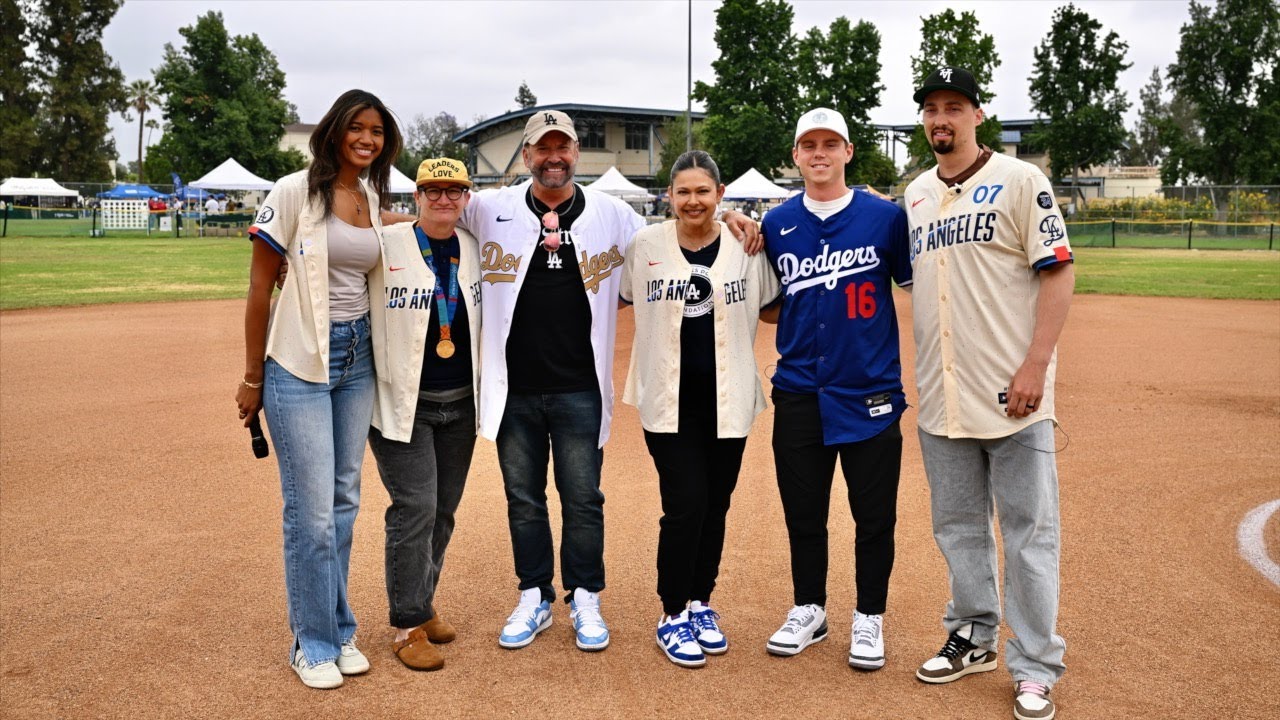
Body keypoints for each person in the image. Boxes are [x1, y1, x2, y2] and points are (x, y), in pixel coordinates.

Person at [445, 110, 758, 653]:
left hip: (580, 386)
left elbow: (680, 227)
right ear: (526, 156)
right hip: (513, 386)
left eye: (563, 146)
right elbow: (436, 206)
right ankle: (535, 594)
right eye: (543, 148)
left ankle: (585, 594)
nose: (554, 157)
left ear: (576, 155)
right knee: (523, 498)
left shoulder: (614, 216)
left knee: (584, 498)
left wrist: (729, 215)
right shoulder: (489, 208)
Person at [904, 67, 1074, 720]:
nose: (940, 118)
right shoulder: (916, 195)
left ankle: (1035, 664)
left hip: (1015, 400)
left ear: (978, 115)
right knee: (959, 530)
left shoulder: (1020, 180)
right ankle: (973, 636)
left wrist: (1036, 365)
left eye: (953, 107)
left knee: (1030, 536)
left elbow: (1058, 272)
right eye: (930, 109)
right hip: (944, 400)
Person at [235, 89, 405, 690]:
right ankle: (311, 642)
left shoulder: (370, 194)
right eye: (357, 128)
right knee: (310, 515)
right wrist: (253, 376)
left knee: (343, 504)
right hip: (298, 361)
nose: (367, 139)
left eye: (378, 132)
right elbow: (260, 290)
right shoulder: (291, 191)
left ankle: (338, 627)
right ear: (334, 131)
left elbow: (384, 240)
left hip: (357, 357)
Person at [760, 108, 912, 671]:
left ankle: (869, 614)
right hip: (800, 389)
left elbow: (919, 281)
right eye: (808, 145)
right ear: (796, 156)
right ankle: (810, 608)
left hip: (870, 391)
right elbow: (775, 304)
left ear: (848, 152)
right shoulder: (776, 224)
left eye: (830, 143)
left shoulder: (884, 218)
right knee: (804, 513)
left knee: (874, 517)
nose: (819, 153)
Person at [619, 150, 780, 668]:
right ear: (670, 197)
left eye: (703, 191)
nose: (693, 200)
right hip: (668, 402)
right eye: (683, 191)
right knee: (685, 503)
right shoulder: (645, 245)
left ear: (720, 193)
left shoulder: (744, 246)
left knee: (716, 505)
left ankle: (700, 602)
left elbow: (773, 307)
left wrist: (749, 227)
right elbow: (623, 297)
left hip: (728, 400)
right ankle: (671, 613)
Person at [367, 158, 482, 672]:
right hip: (402, 404)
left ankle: (424, 599)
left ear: (466, 197)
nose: (443, 200)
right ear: (416, 196)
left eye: (453, 191)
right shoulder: (384, 245)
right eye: (432, 191)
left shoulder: (476, 250)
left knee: (444, 510)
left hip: (460, 403)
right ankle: (405, 623)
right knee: (415, 508)